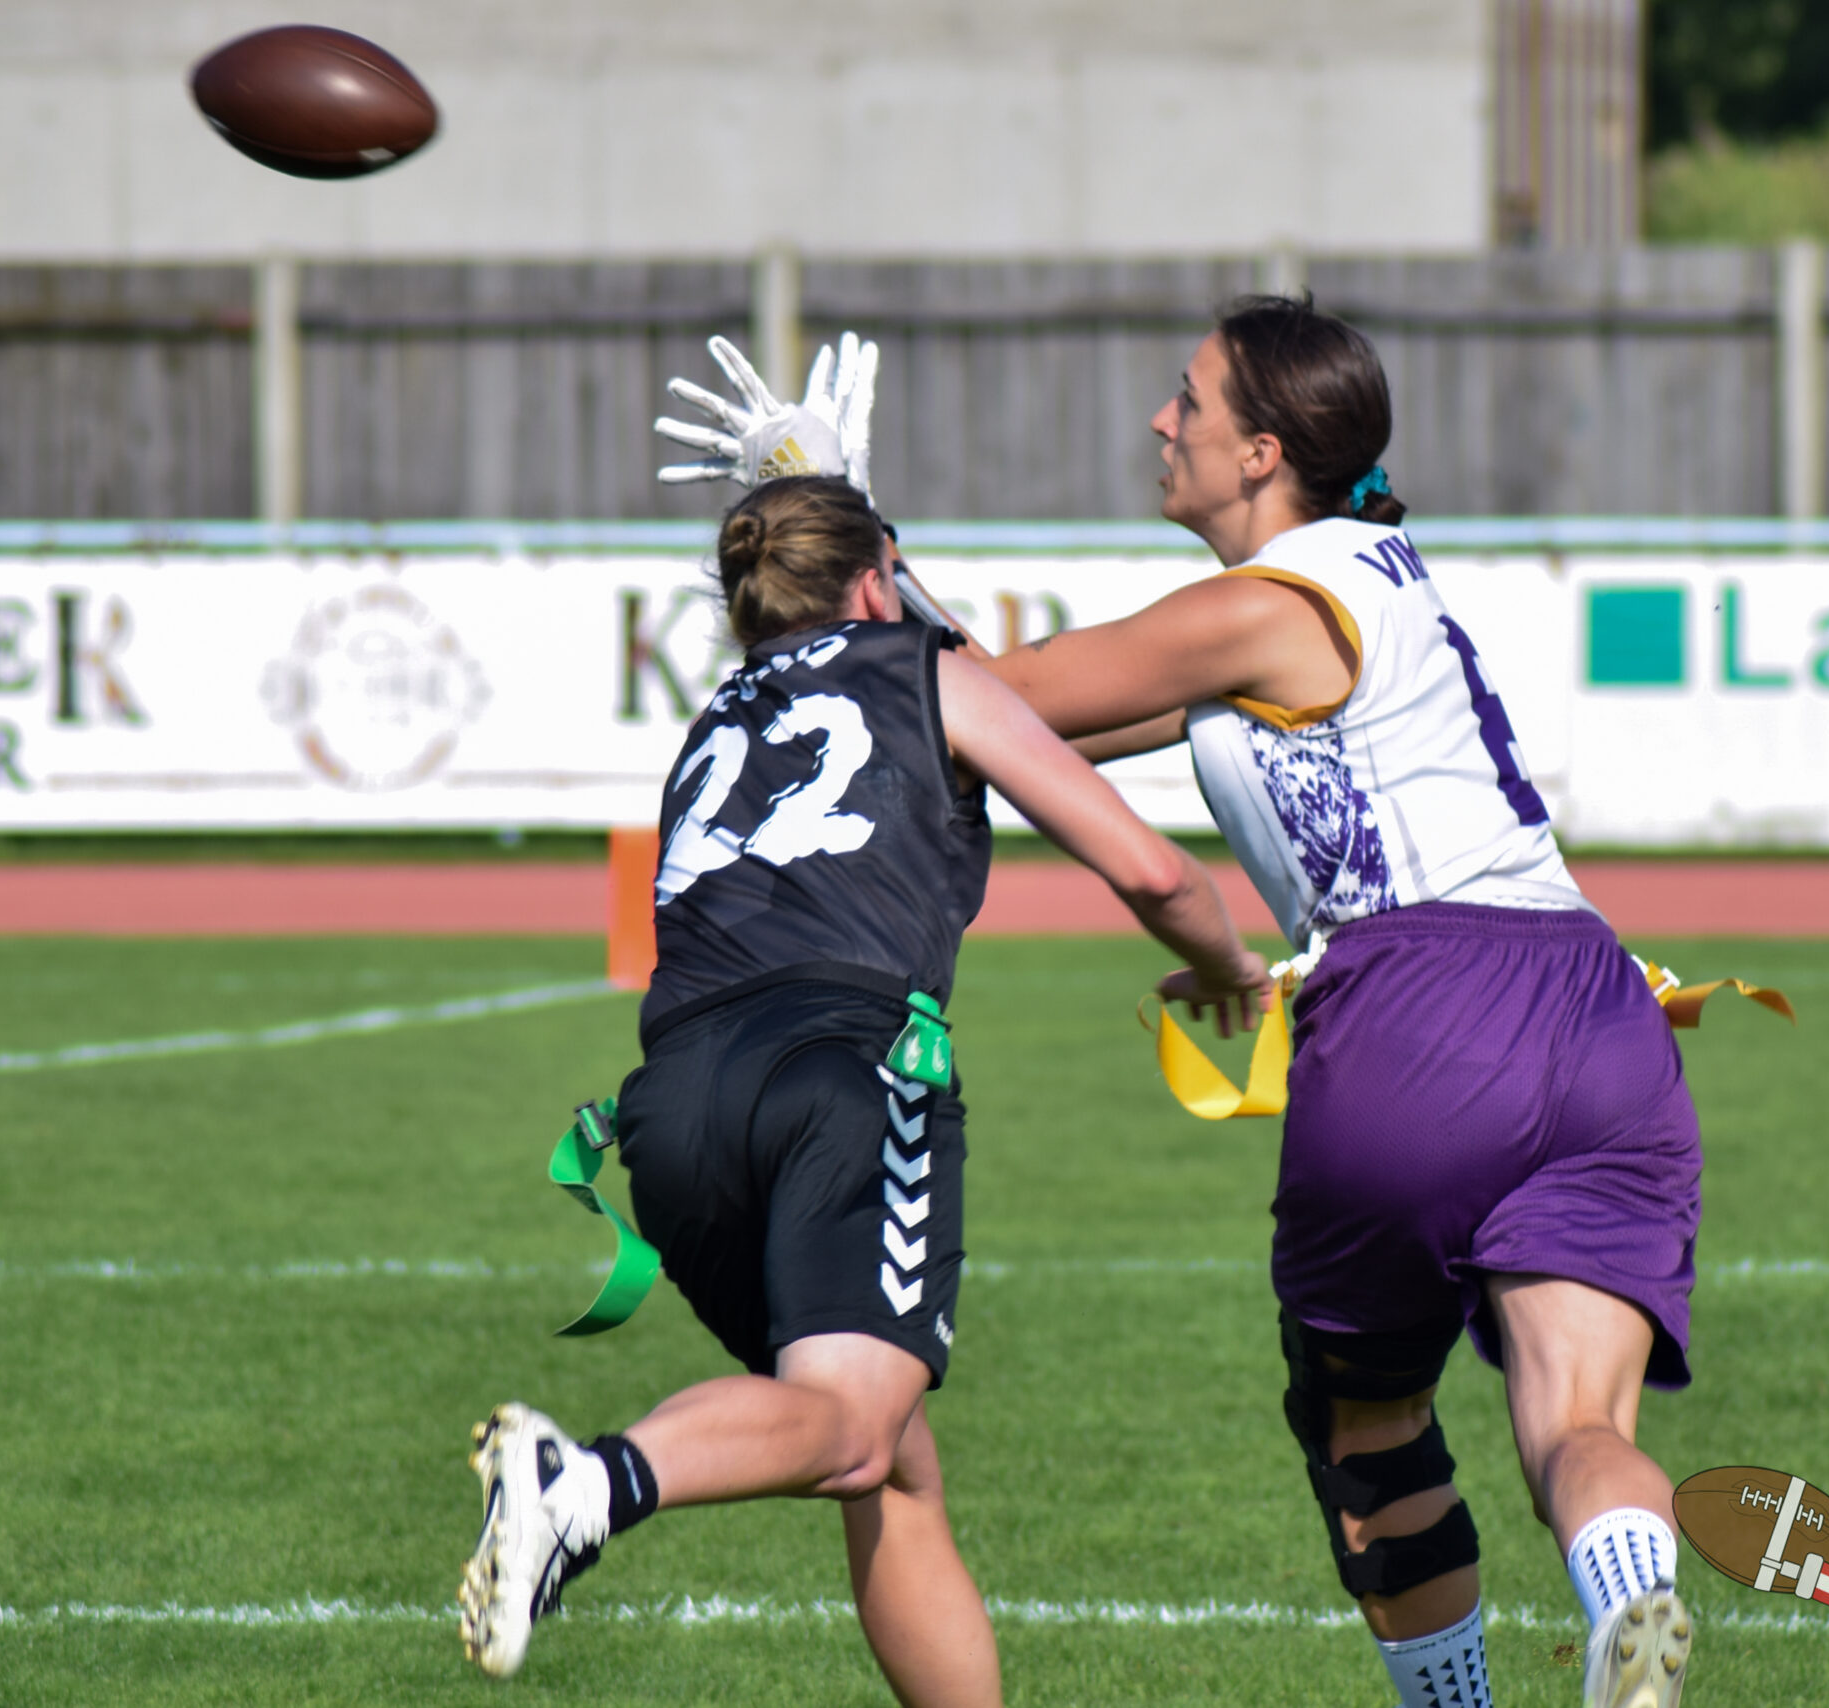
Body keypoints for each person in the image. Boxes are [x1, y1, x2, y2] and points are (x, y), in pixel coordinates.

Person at [970, 295, 1701, 1708]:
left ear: (1261, 454)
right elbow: (1022, 719)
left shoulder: (1259, 604)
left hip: (1423, 1010)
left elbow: (994, 694)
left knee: (1366, 1427)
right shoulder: (1366, 580)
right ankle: (1634, 1604)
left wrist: (835, 549)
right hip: (1600, 1006)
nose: (1159, 421)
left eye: (1187, 399)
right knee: (1574, 1417)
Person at [456, 473, 1274, 1704]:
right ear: (879, 581)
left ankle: (592, 1488)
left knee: (890, 1458)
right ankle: (584, 1487)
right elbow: (1152, 872)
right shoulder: (926, 671)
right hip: (845, 1073)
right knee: (844, 1426)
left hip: (670, 1112)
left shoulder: (715, 720)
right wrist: (1230, 965)